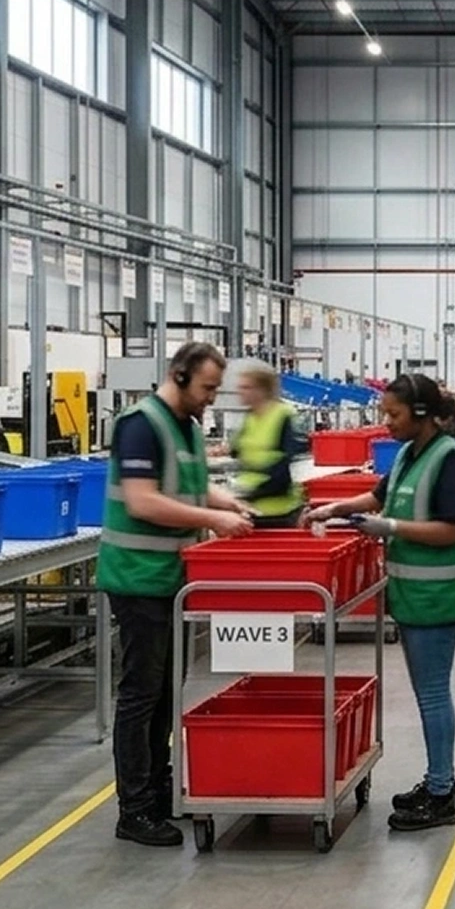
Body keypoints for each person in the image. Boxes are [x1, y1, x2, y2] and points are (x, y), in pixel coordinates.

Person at [303, 373, 455, 832]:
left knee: (433, 693)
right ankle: (438, 781)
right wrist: (334, 509)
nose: (387, 423)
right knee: (429, 690)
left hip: (439, 596)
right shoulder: (409, 454)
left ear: (421, 414)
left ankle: (441, 792)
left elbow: (452, 529)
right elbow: (380, 495)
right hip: (413, 594)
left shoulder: (450, 460)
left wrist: (391, 530)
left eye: (394, 415)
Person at [97, 342, 258, 848]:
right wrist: (213, 519)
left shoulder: (186, 425)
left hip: (173, 578)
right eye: (207, 387)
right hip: (138, 577)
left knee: (167, 692)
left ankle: (161, 789)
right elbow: (144, 501)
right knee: (141, 694)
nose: (211, 398)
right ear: (179, 375)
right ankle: (135, 808)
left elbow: (181, 487)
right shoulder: (139, 424)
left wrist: (220, 499)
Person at [231, 360, 307, 527]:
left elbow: (284, 466)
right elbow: (239, 452)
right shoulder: (250, 417)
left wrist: (252, 493)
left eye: (246, 387)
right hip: (250, 509)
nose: (240, 392)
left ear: (262, 390)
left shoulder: (283, 416)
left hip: (279, 512)